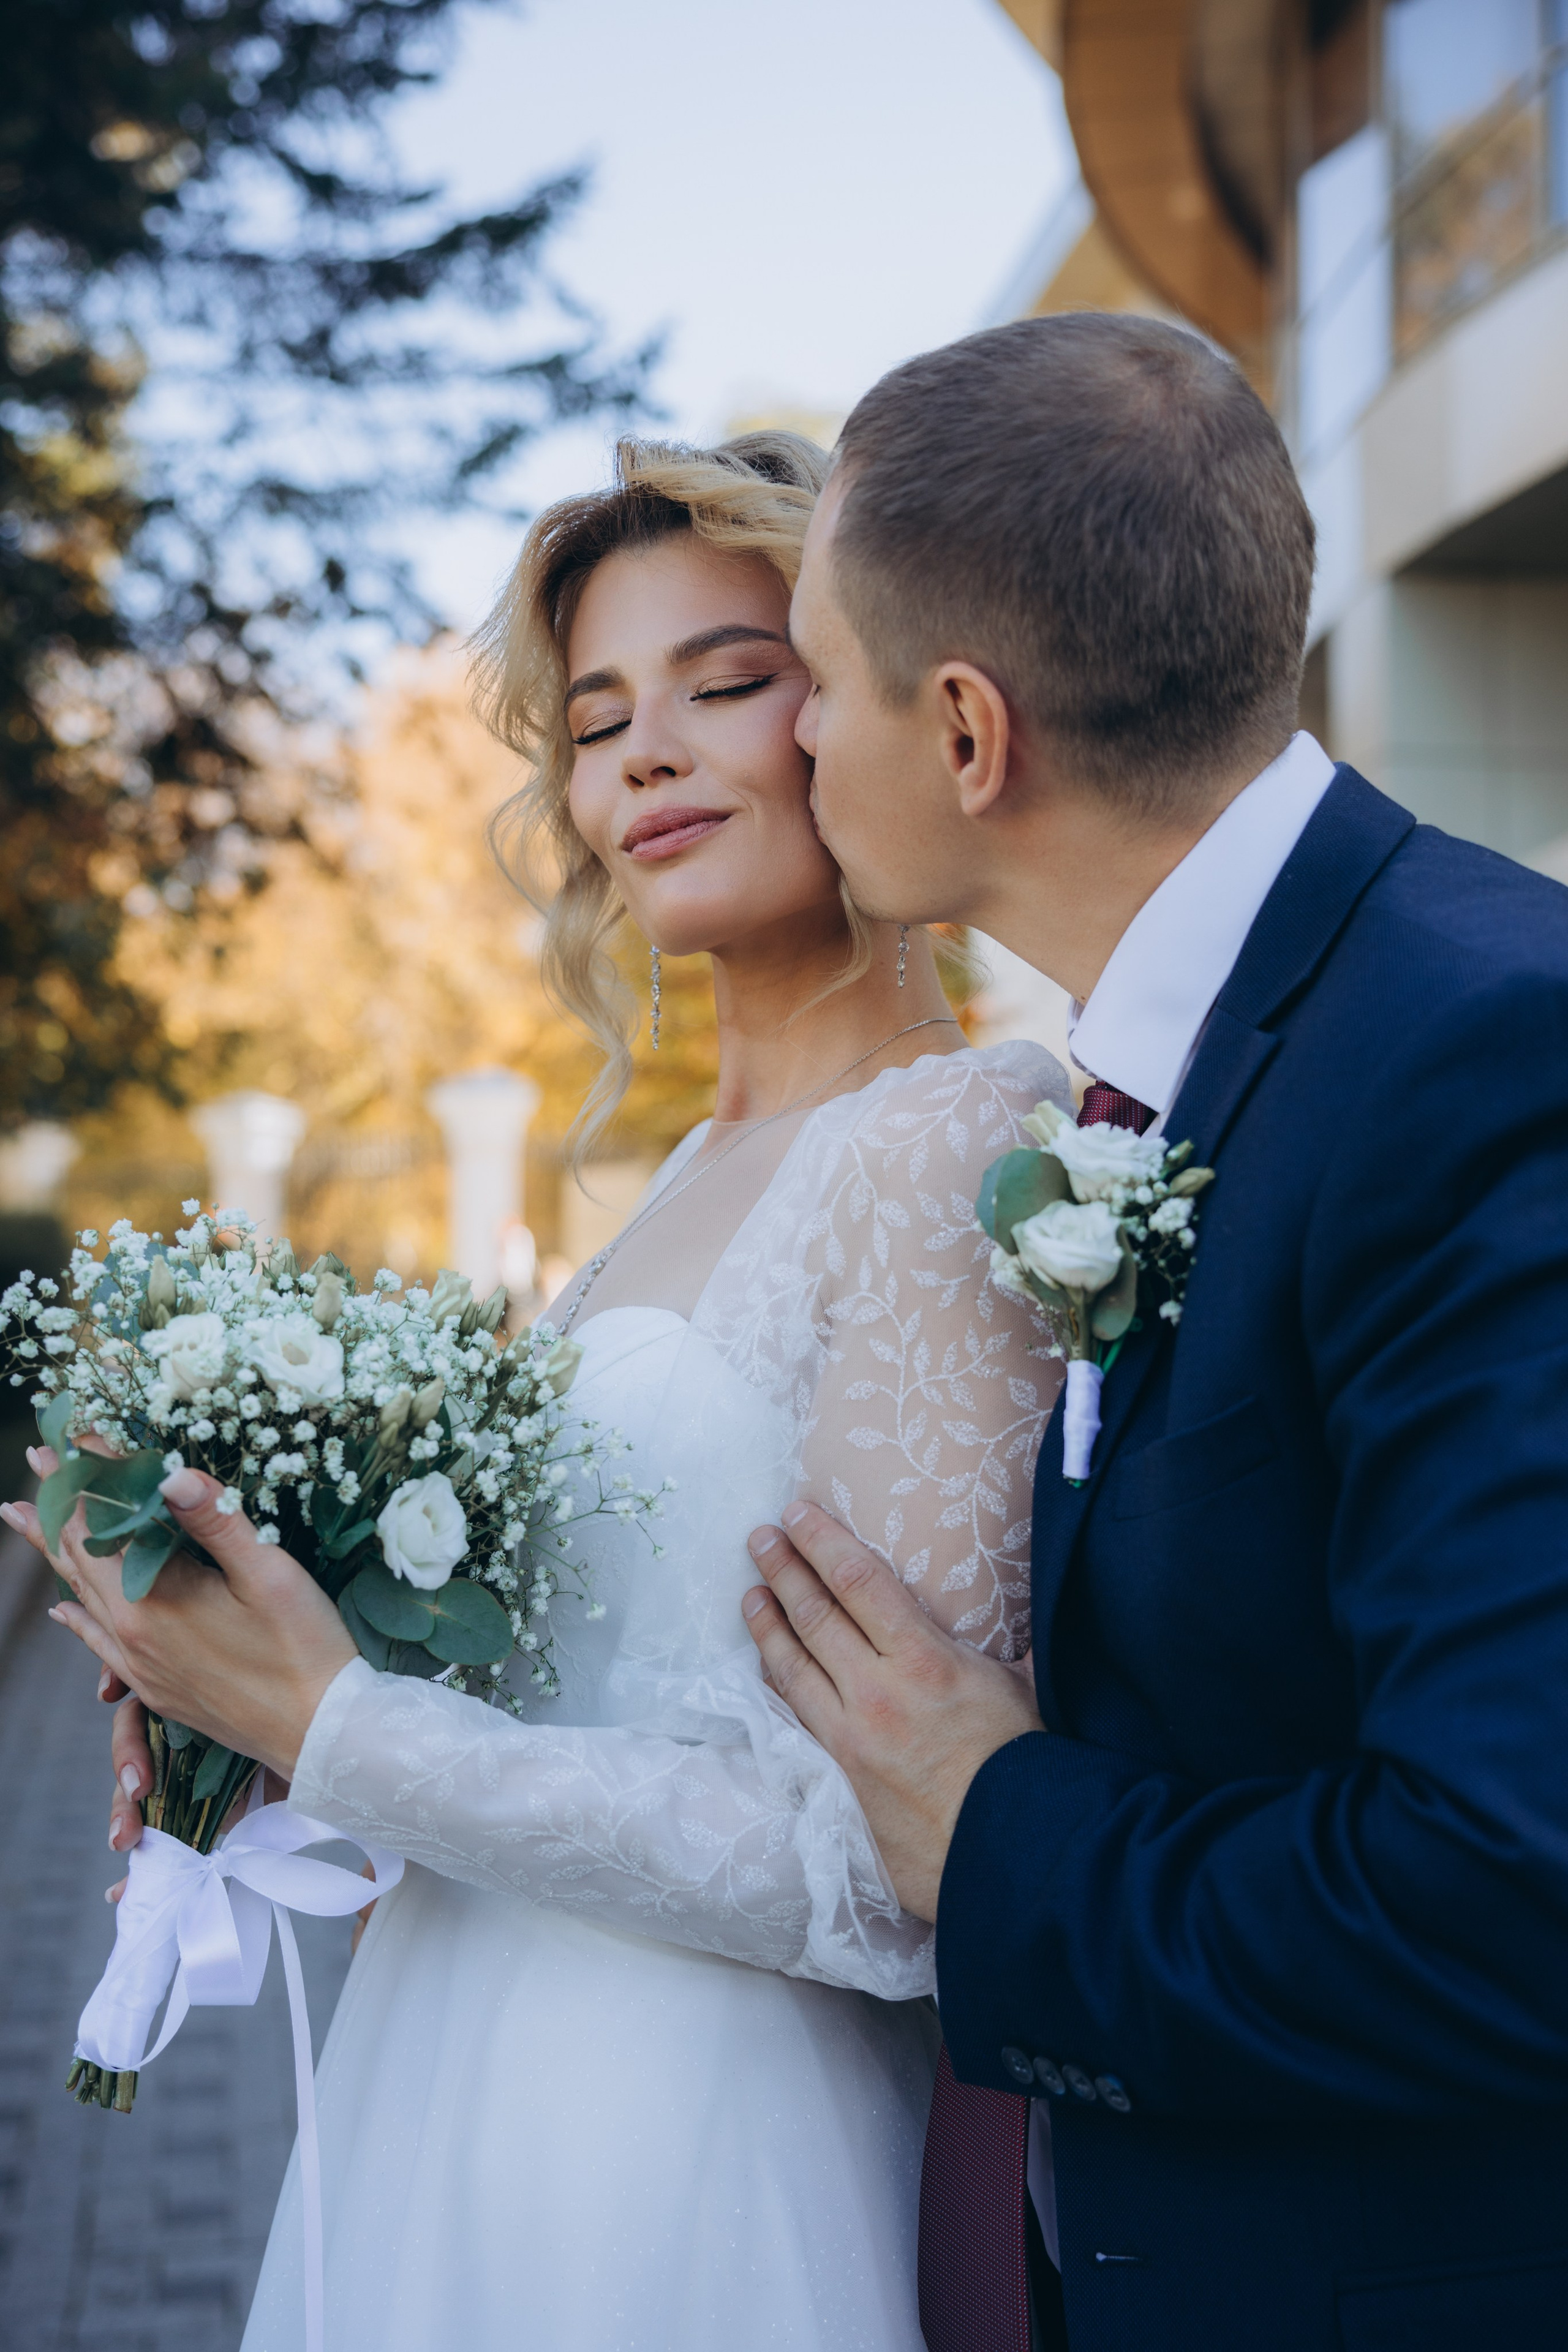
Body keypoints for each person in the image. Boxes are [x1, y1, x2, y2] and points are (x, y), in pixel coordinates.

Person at [6, 431, 1066, 2350]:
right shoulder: (669, 1187)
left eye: (725, 684)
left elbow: (887, 1877)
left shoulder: (956, 1143)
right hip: (454, 2082)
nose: (645, 754)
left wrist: (344, 1730)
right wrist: (252, 1713)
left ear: (877, 707)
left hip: (700, 2148)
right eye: (595, 721)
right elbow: (585, 1695)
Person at [738, 311, 1568, 2351]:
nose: (789, 746)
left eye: (813, 681)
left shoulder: (1485, 1060)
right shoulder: (1194, 1059)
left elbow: (1509, 1899)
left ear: (964, 732)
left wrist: (1002, 1825)